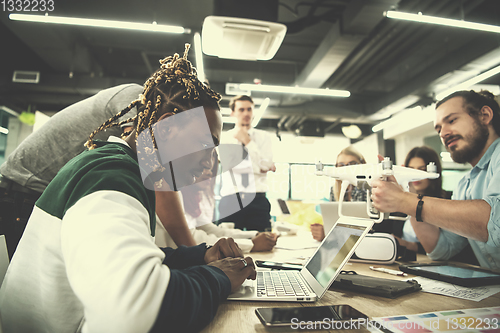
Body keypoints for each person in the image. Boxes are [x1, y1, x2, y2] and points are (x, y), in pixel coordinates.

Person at [0, 46, 256, 333]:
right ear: (167, 128)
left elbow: (133, 255)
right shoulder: (110, 179)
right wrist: (216, 277)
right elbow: (137, 309)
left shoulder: (126, 170)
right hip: (18, 192)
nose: (212, 163)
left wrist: (200, 256)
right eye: (206, 144)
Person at [372, 90, 500, 270]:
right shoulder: (465, 185)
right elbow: (442, 249)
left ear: (485, 116)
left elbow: (495, 223)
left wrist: (404, 200)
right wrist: (407, 197)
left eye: (452, 120)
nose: (444, 133)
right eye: (438, 128)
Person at [156, 150, 278, 252]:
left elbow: (213, 230)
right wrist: (250, 244)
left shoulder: (191, 200)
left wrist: (253, 235)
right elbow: (195, 239)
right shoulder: (169, 192)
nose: (209, 172)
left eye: (213, 169)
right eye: (203, 166)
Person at [217, 95, 276, 232]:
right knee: (226, 245)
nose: (246, 113)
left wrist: (247, 141)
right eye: (241, 109)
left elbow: (265, 166)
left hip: (258, 200)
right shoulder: (224, 138)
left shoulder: (264, 137)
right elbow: (231, 166)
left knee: (264, 244)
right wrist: (261, 166)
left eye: (249, 109)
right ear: (233, 113)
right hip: (231, 200)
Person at [310, 146, 367, 241]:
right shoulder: (334, 191)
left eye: (352, 164)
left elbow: (366, 228)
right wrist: (326, 230)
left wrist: (328, 234)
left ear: (362, 164)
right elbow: (335, 223)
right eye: (341, 165)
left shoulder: (369, 189)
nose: (346, 169)